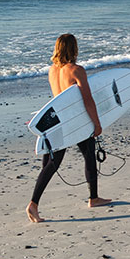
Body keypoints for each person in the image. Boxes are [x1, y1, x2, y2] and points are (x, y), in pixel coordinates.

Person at [26, 34, 112, 223]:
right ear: (74, 49)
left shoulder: (52, 71)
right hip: (75, 121)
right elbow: (87, 100)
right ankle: (33, 204)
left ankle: (94, 198)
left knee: (79, 156)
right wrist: (97, 123)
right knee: (55, 163)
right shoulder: (76, 70)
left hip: (57, 121)